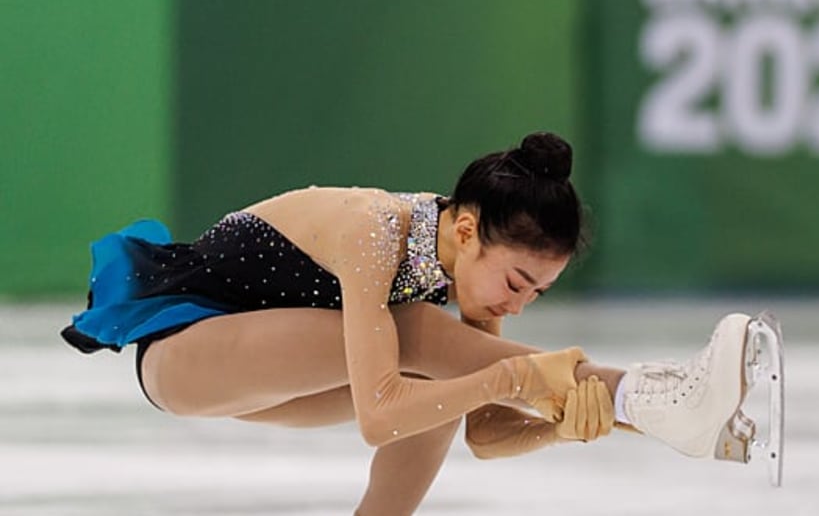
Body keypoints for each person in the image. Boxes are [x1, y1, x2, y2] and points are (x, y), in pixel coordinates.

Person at [62, 131, 773, 514]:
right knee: (424, 347)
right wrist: (515, 373)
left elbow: (486, 431)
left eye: (540, 294)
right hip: (185, 352)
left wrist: (561, 421)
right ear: (466, 231)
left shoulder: (460, 277)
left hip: (264, 365)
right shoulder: (375, 230)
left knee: (438, 376)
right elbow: (378, 414)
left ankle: (679, 421)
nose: (518, 305)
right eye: (517, 281)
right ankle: (663, 400)